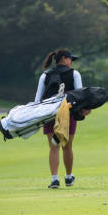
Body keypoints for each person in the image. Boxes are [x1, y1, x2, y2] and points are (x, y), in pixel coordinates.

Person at [35, 49, 89, 189]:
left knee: (53, 147)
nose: (71, 62)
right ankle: (68, 177)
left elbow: (37, 101)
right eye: (70, 59)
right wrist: (84, 110)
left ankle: (54, 180)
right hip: (68, 114)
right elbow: (80, 95)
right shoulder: (74, 74)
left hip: (48, 115)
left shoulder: (45, 75)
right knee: (67, 146)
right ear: (64, 59)